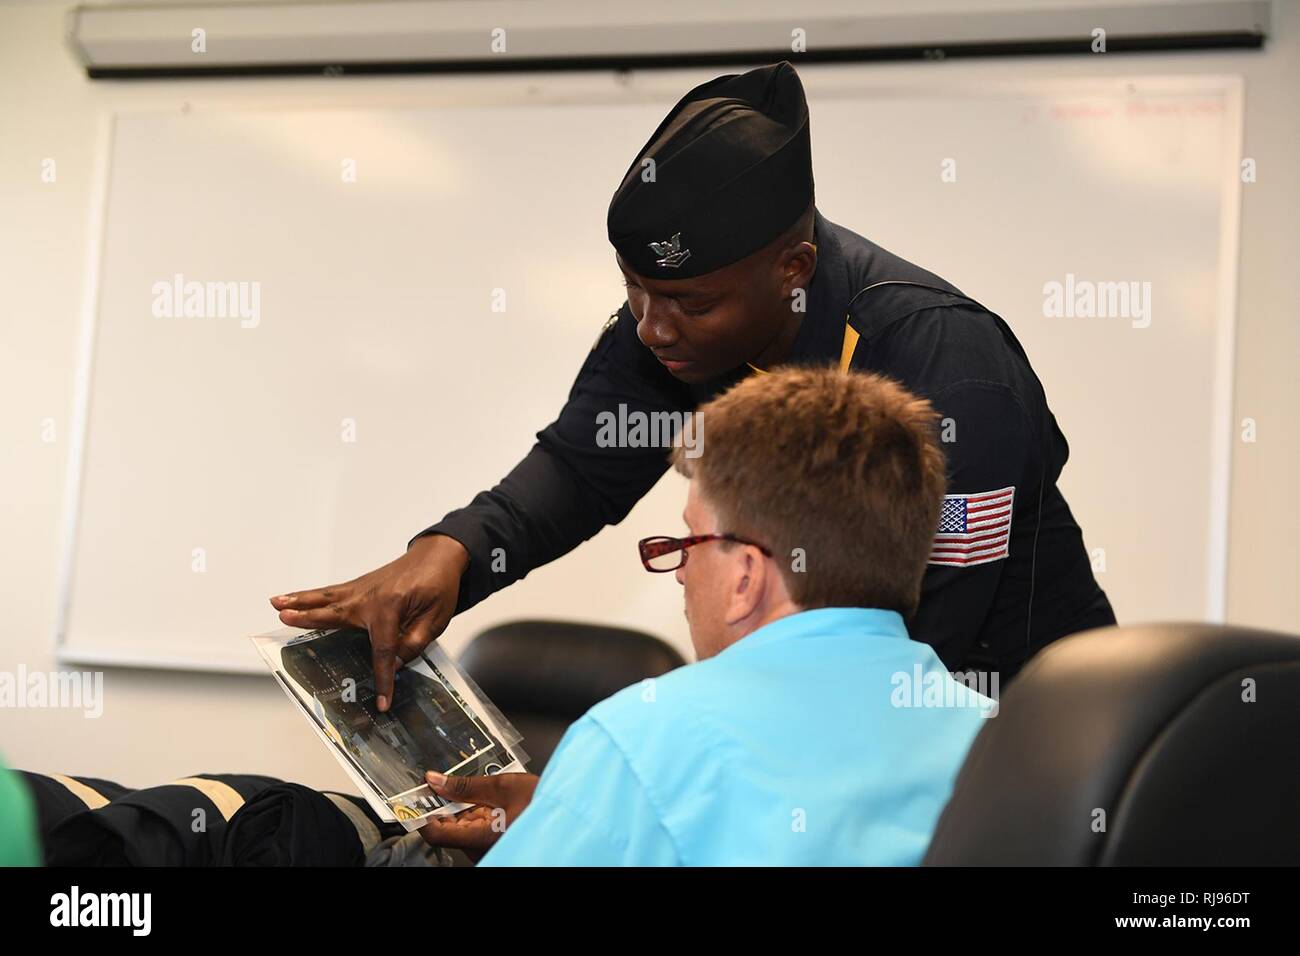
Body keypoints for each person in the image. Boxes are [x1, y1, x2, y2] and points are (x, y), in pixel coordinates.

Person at [270, 60, 1113, 709]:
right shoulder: (675, 338)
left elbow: (917, 659)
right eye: (633, 288)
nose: (651, 326)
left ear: (794, 269)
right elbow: (577, 467)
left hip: (1013, 737)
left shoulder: (947, 365)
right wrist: (447, 556)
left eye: (688, 302)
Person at [418, 367, 995, 865]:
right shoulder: (1003, 742)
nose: (679, 571)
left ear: (746, 576)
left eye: (690, 540)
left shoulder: (643, 741)